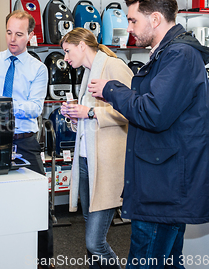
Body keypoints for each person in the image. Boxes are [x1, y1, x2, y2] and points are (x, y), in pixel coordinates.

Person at [88, 0, 209, 268]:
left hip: (164, 191)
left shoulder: (179, 56)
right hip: (162, 184)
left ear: (155, 19)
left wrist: (112, 89)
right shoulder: (169, 54)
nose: (130, 27)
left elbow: (153, 112)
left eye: (134, 20)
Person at [0, 10, 53, 269]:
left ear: (30, 35)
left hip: (25, 141)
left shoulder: (38, 69)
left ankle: (45, 259)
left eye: (19, 34)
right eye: (8, 32)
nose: (12, 39)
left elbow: (34, 108)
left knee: (38, 203)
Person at [59, 28, 133, 269]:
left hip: (106, 164)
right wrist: (74, 115)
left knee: (94, 242)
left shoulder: (113, 66)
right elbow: (88, 121)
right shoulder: (88, 72)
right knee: (91, 232)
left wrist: (89, 112)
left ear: (82, 45)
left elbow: (131, 111)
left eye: (68, 51)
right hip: (86, 160)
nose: (66, 58)